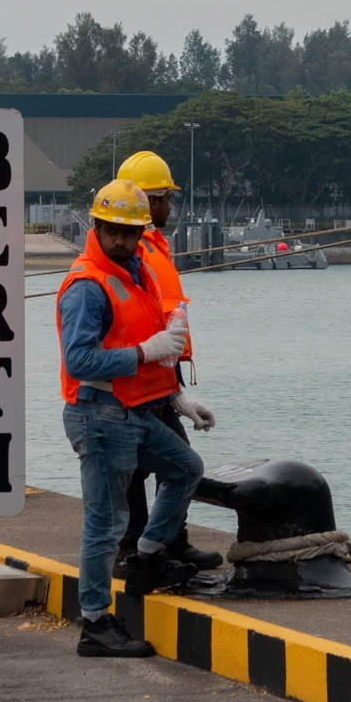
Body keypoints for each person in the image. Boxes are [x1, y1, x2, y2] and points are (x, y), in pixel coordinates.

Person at [58, 179, 207, 657]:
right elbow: (80, 361)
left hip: (132, 410)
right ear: (96, 228)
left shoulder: (137, 271)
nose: (120, 240)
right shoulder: (87, 288)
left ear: (142, 231)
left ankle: (145, 559)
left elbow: (148, 347)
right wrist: (144, 352)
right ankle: (96, 624)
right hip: (98, 415)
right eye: (112, 231)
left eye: (129, 231)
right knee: (105, 524)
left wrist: (176, 395)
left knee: (186, 468)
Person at [115, 150, 222, 572]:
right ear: (150, 200)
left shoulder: (153, 246)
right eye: (165, 198)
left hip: (160, 372)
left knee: (162, 463)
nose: (170, 206)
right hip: (141, 374)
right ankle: (138, 548)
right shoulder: (138, 252)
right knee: (150, 465)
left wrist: (176, 392)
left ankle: (166, 542)